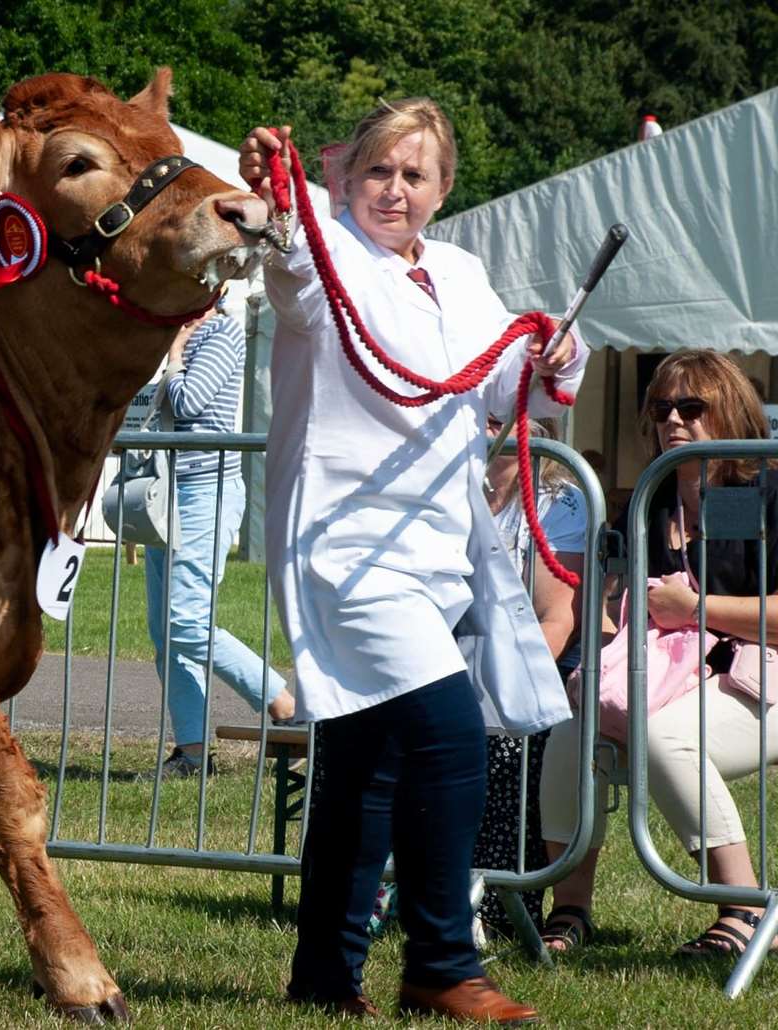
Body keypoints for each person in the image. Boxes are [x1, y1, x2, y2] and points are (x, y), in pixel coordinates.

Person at [241, 98, 583, 1021]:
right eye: (378, 170)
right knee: (447, 733)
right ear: (344, 174)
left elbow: (509, 381)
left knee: (365, 763)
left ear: (442, 189)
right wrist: (277, 198)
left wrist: (553, 349)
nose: (394, 190)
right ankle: (440, 962)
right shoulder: (324, 251)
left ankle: (323, 975)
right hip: (345, 546)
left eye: (414, 175)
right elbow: (292, 264)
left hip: (436, 548)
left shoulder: (462, 272)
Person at [538, 349, 778, 959]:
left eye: (692, 407)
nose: (674, 419)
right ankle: (569, 909)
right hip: (670, 674)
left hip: (762, 676)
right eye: (661, 407)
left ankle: (745, 911)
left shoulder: (767, 490)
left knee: (669, 738)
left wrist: (694, 609)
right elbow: (614, 609)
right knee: (571, 732)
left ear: (731, 413)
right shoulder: (648, 501)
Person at [106, 308, 296, 778]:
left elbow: (189, 401)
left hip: (204, 493)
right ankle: (191, 754)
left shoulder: (222, 330)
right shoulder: (168, 325)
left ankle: (283, 703)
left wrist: (172, 357)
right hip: (163, 491)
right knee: (164, 633)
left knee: (186, 621)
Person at [473, 415, 587, 938]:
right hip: (448, 660)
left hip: (525, 672)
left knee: (505, 741)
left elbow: (556, 622)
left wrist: (492, 690)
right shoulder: (440, 489)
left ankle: (495, 905)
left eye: (500, 411)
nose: (487, 422)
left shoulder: (559, 501)